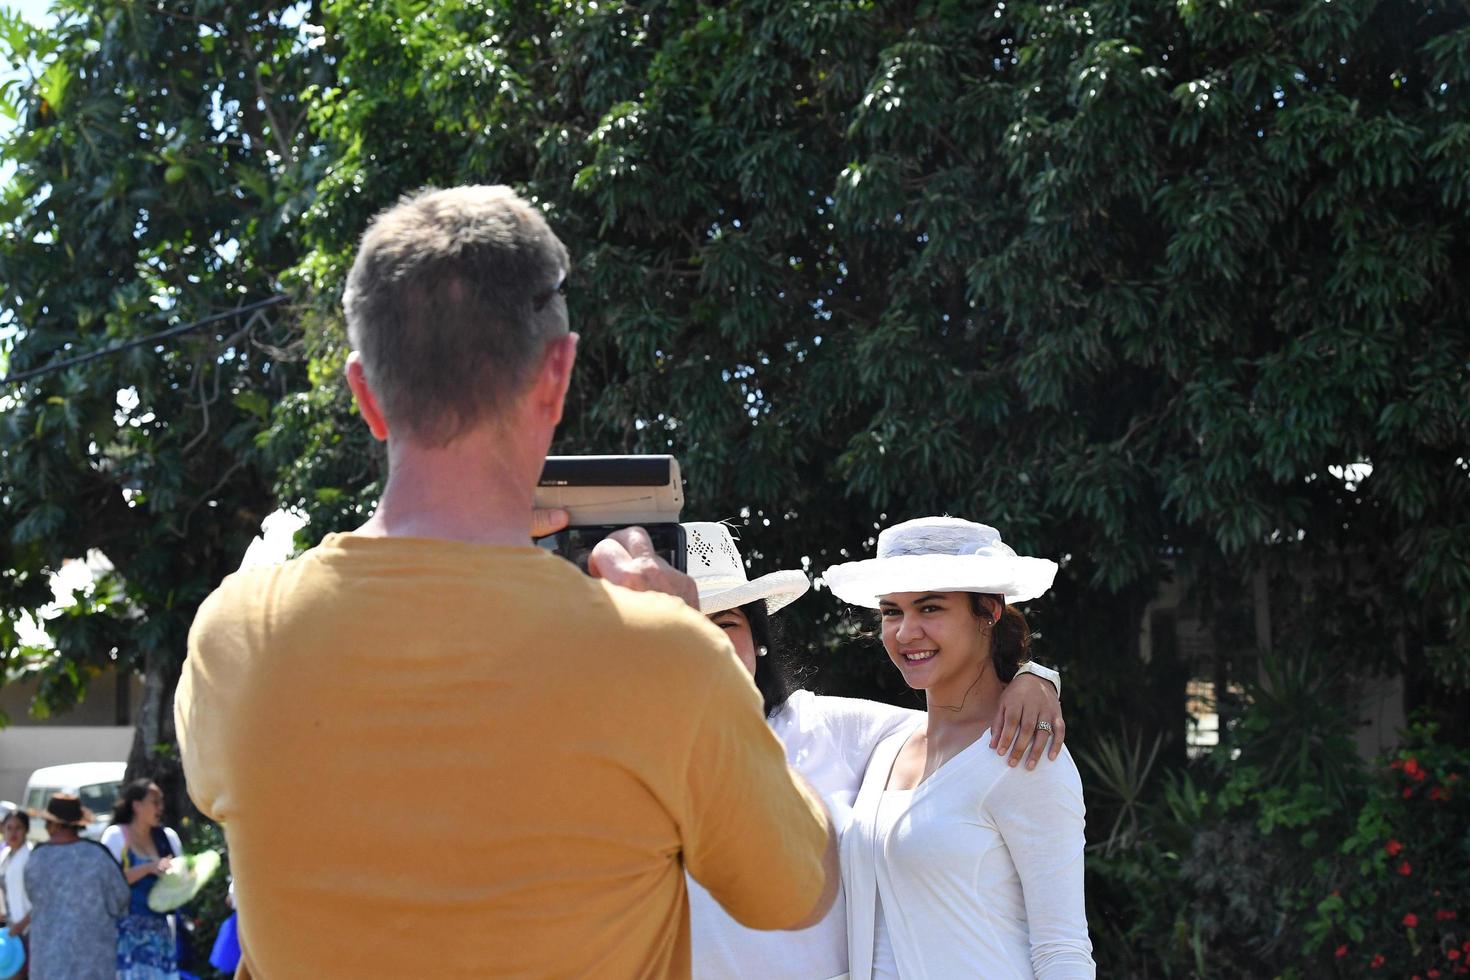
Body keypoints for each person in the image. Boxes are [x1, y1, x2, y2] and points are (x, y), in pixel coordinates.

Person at [175, 185, 838, 977]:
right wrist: (690, 645)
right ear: (556, 373)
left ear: (365, 395)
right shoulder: (665, 657)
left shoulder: (237, 635)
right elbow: (800, 891)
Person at [681, 522, 1068, 980]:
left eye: (725, 622)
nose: (706, 641)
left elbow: (966, 734)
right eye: (681, 626)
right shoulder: (616, 761)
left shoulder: (835, 730)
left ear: (757, 635)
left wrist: (1035, 677)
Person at [826, 517, 1095, 979]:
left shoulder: (1025, 754)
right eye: (892, 611)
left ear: (989, 611)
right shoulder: (885, 744)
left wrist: (1036, 676)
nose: (906, 632)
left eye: (929, 609)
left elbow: (1063, 950)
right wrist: (1039, 675)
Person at [21, 793, 129, 980]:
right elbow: (121, 899)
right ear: (78, 823)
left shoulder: (36, 858)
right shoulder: (99, 856)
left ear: (53, 824)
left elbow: (32, 895)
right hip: (94, 962)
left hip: (47, 962)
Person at [100, 780, 183, 980]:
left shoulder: (167, 838)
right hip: (126, 932)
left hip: (161, 931)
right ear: (136, 806)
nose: (160, 808)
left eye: (161, 802)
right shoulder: (116, 836)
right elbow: (108, 882)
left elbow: (180, 882)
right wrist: (148, 868)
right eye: (155, 802)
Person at [0, 810, 32, 978]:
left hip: (28, 929)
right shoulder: (5, 856)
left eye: (18, 828)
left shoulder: (31, 857)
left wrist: (22, 924)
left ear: (26, 830)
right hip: (10, 928)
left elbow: (40, 901)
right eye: (9, 828)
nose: (13, 833)